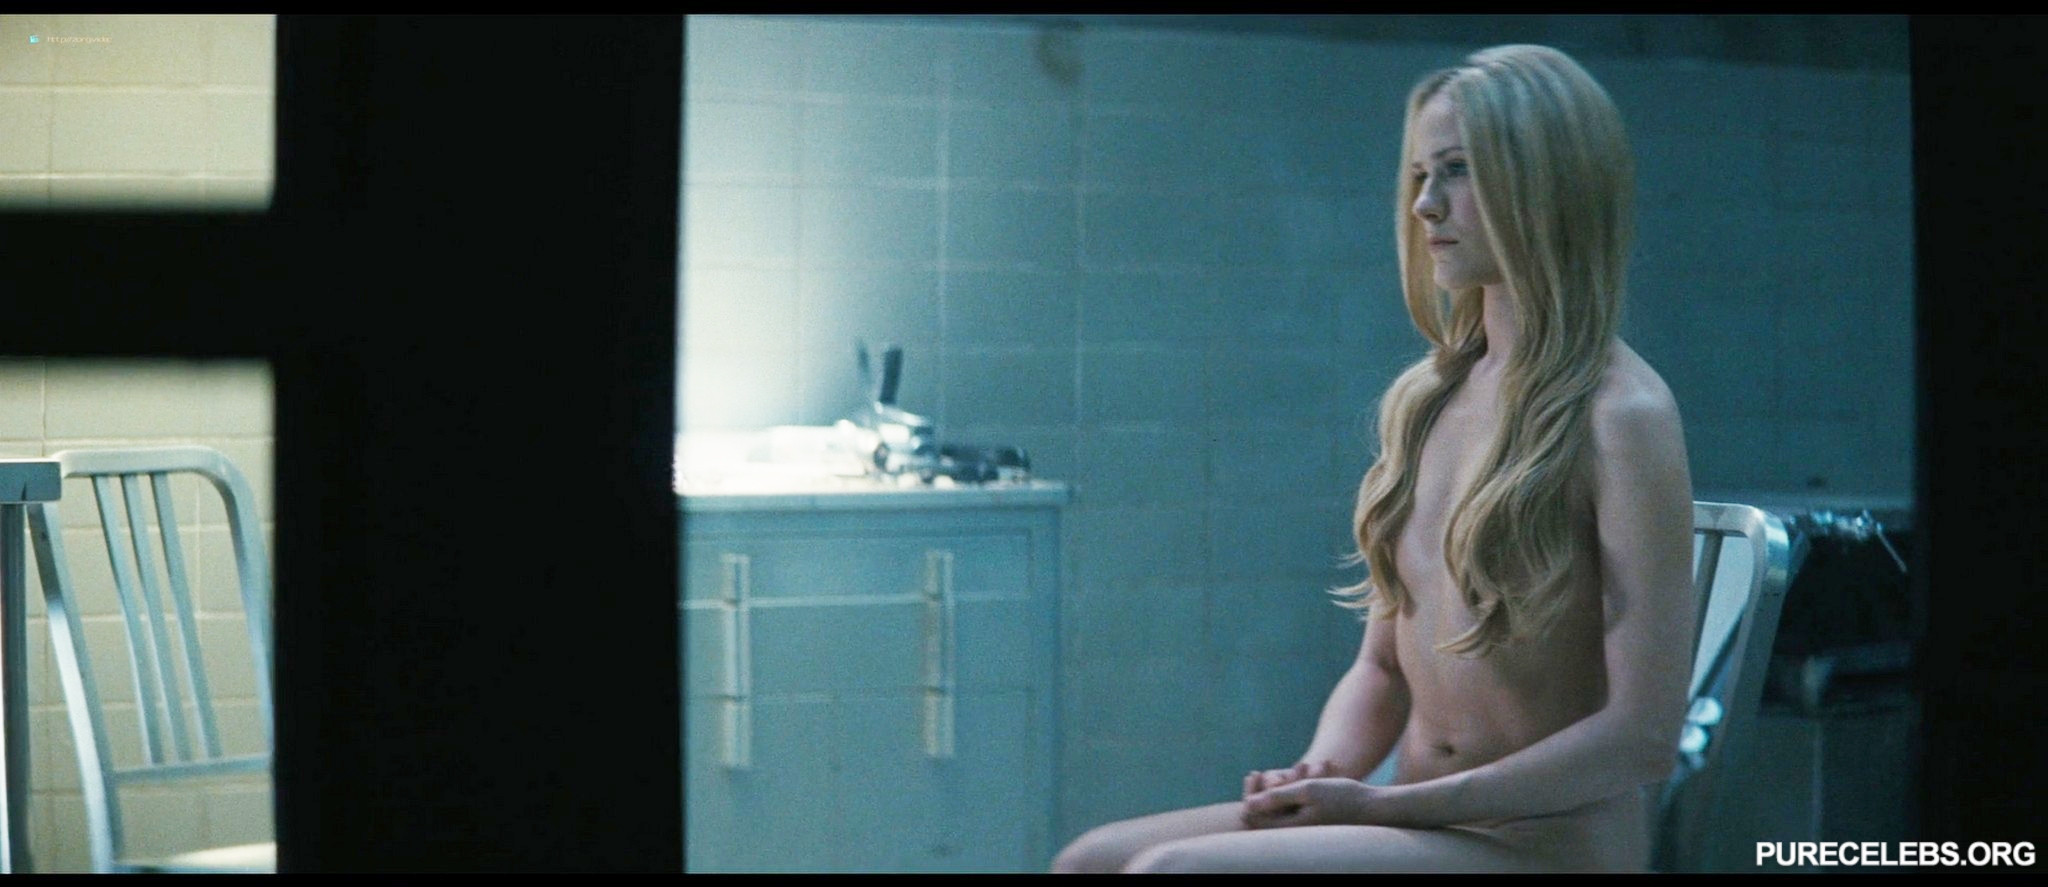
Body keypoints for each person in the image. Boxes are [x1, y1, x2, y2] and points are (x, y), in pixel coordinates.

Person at [1052, 43, 1696, 873]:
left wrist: (1389, 804)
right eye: (1421, 175)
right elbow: (1383, 667)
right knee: (1089, 861)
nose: (1426, 204)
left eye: (1457, 171)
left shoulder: (1623, 416)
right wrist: (1318, 771)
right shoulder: (1427, 400)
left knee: (1171, 872)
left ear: (1545, 184)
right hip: (1410, 819)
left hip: (1544, 846)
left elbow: (1643, 738)